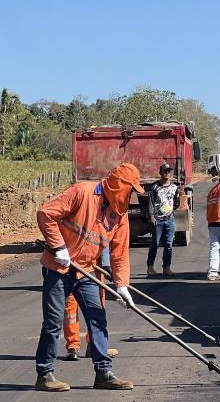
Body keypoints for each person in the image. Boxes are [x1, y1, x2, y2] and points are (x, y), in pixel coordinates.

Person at [35, 163, 140, 392]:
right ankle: (44, 375)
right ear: (118, 185)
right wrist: (58, 247)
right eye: (130, 190)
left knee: (97, 319)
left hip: (87, 271)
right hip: (59, 268)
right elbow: (45, 214)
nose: (130, 196)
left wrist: (122, 285)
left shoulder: (119, 213)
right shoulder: (82, 192)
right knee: (53, 323)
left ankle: (104, 373)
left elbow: (119, 253)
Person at [63, 248, 118, 361]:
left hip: (90, 263)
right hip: (71, 263)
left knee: (93, 307)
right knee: (74, 308)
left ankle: (87, 345)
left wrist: (106, 263)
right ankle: (77, 346)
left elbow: (103, 240)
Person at [146, 163, 179, 277]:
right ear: (160, 173)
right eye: (165, 171)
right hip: (157, 220)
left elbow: (176, 202)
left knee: (169, 244)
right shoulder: (154, 187)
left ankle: (167, 268)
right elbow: (150, 202)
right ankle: (150, 267)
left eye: (169, 171)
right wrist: (152, 217)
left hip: (169, 220)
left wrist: (170, 210)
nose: (167, 173)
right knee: (155, 244)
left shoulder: (175, 187)